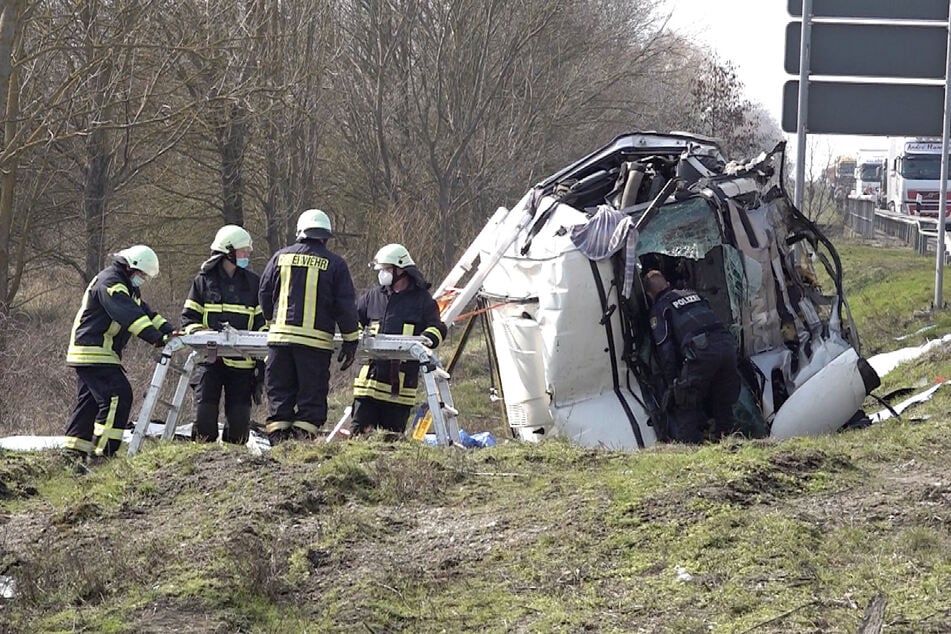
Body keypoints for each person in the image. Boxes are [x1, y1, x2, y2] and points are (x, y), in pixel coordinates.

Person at [64, 245, 176, 461]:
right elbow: (128, 314)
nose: (143, 279)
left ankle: (72, 453)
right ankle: (102, 455)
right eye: (142, 274)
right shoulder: (112, 283)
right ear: (131, 267)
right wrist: (156, 337)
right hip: (94, 351)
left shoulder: (125, 286)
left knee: (90, 402)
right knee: (118, 395)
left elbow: (144, 311)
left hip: (95, 351)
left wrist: (168, 330)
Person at [258, 209, 359, 443]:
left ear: (300, 232)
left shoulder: (280, 257)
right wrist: (350, 340)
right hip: (315, 346)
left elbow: (264, 292)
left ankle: (280, 447)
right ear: (325, 236)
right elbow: (345, 306)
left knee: (279, 395)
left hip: (280, 342)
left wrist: (270, 322)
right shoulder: (335, 264)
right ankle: (302, 448)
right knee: (310, 398)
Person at [180, 225, 265, 444]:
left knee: (238, 427)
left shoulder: (254, 284)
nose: (248, 255)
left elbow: (262, 325)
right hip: (210, 362)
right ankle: (201, 466)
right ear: (229, 251)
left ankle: (234, 467)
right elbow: (188, 320)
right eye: (244, 250)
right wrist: (205, 335)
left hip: (243, 366)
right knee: (204, 422)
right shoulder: (203, 281)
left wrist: (259, 354)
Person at [351, 244, 447, 435]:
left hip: (399, 389)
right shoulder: (372, 297)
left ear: (401, 269)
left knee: (391, 443)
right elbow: (353, 321)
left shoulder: (422, 301)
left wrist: (425, 340)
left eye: (387, 269)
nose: (382, 274)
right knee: (358, 439)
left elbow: (437, 328)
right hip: (369, 384)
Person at [643, 269, 740, 444]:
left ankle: (692, 450)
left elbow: (666, 351)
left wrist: (673, 382)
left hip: (702, 351)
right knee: (722, 401)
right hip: (727, 345)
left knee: (684, 402)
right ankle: (729, 442)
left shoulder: (660, 308)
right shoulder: (693, 295)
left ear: (650, 295)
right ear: (668, 284)